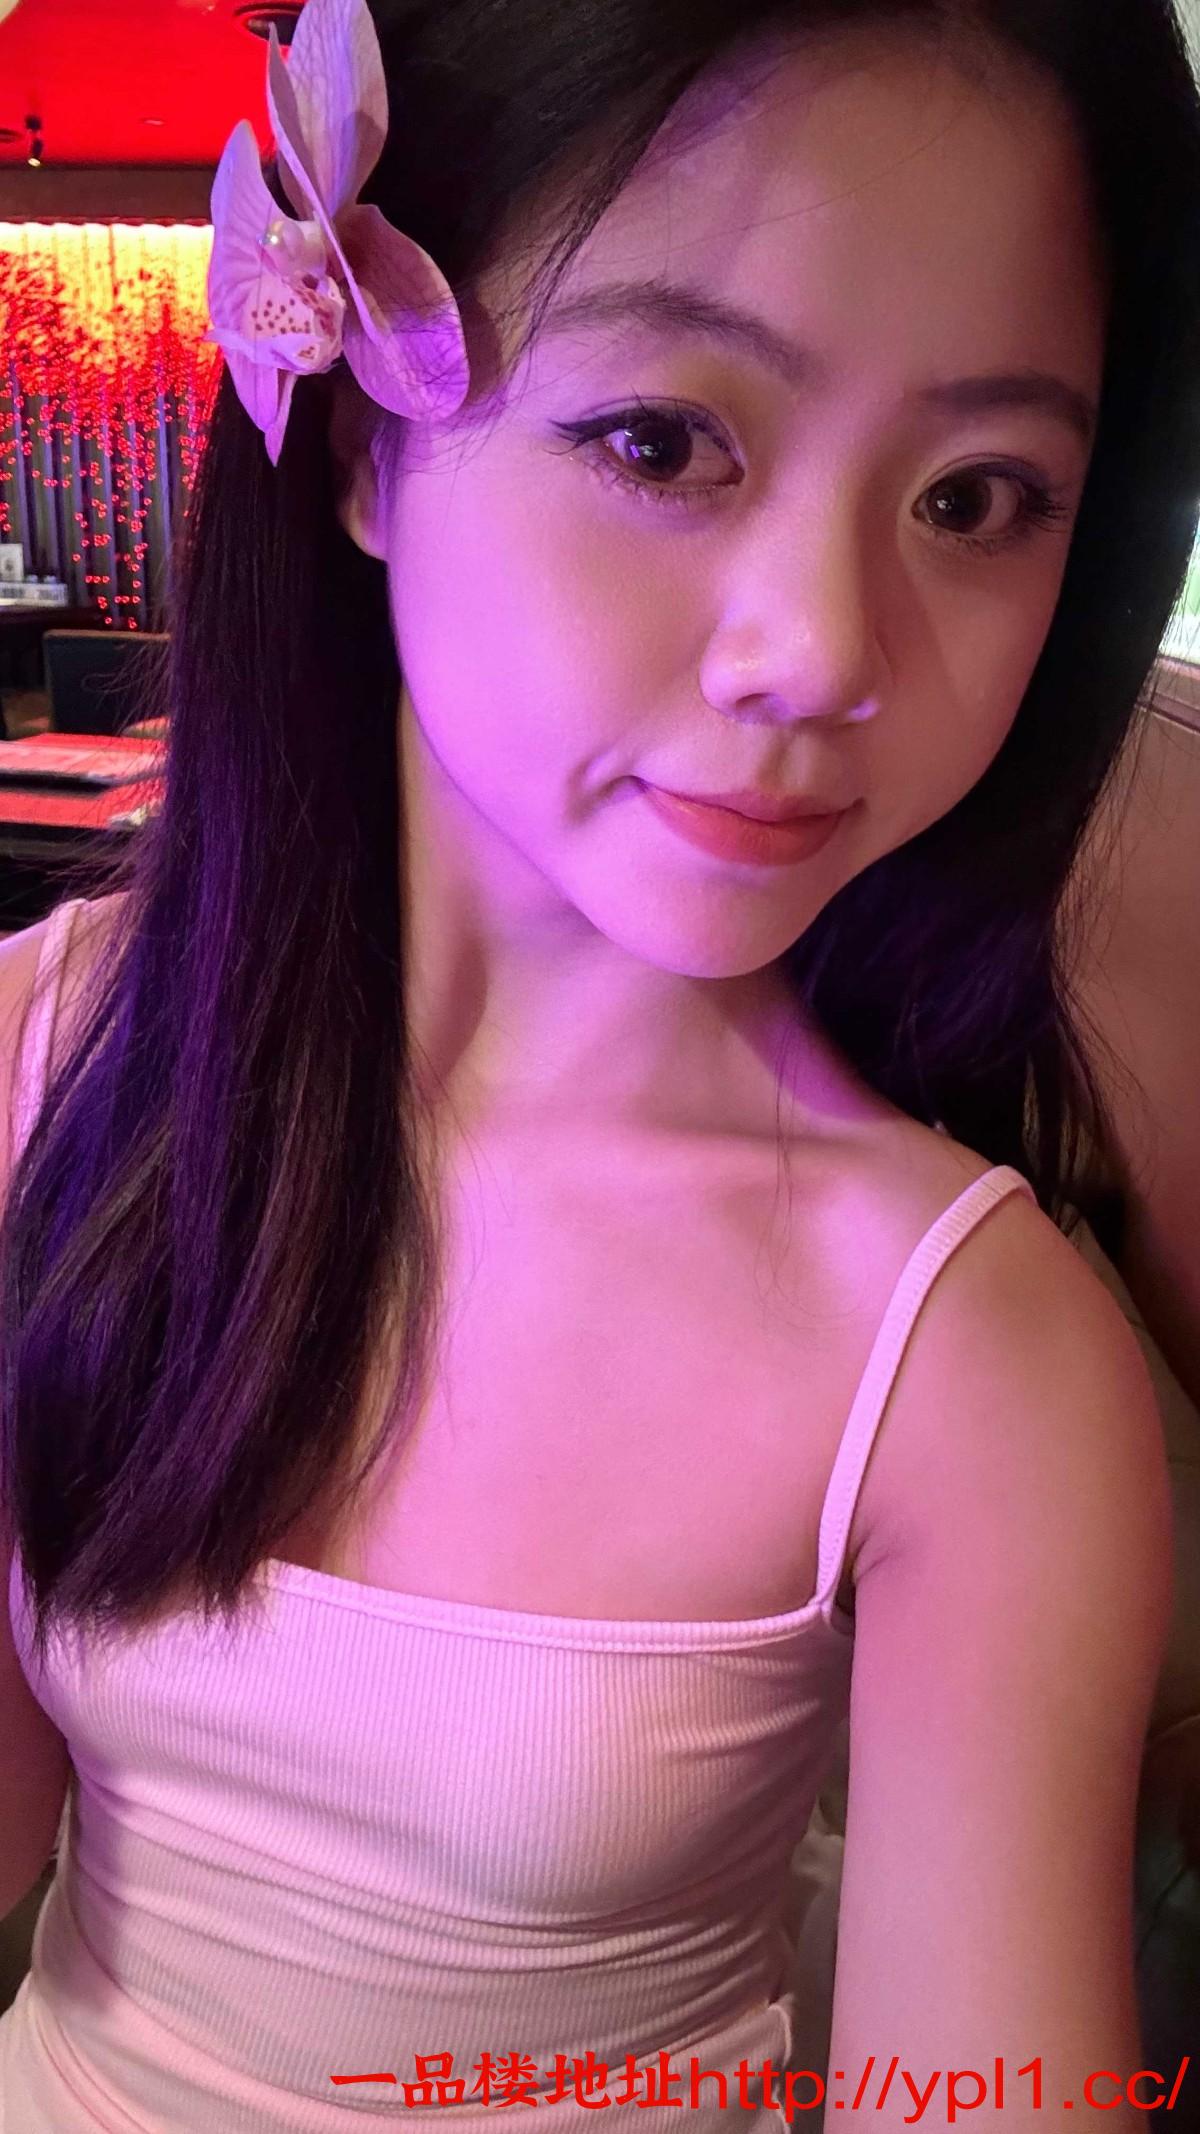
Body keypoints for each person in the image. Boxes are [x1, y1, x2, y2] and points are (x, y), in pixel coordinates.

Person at [0, 0, 1198, 2125]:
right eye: (662, 441)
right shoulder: (40, 1058)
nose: (821, 650)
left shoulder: (971, 1358)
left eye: (976, 495)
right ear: (358, 439)